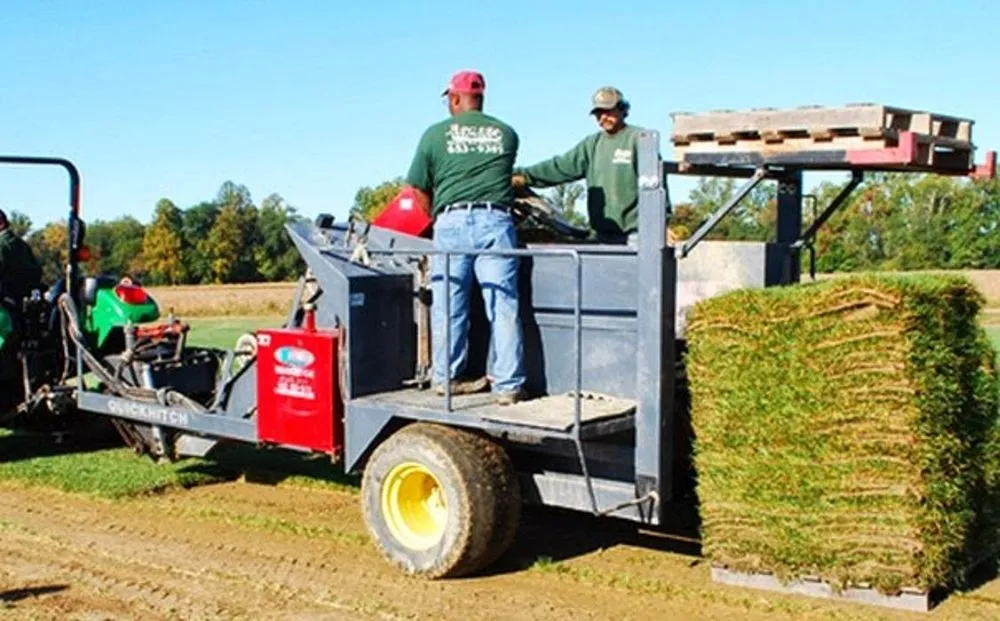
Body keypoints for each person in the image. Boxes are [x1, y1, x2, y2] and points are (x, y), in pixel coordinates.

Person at [403, 70, 526, 405]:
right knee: (502, 305)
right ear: (481, 98)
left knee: (448, 306)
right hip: (495, 222)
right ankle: (508, 386)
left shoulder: (434, 135)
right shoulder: (507, 133)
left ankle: (445, 379)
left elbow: (417, 186)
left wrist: (437, 218)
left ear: (455, 98)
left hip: (451, 223)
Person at [513, 86, 644, 245]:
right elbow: (559, 167)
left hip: (635, 235)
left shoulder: (638, 139)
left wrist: (663, 221)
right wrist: (522, 175)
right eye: (598, 113)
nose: (603, 117)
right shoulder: (591, 145)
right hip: (602, 236)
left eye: (608, 111)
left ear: (622, 109)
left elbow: (655, 183)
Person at [0, 209, 42, 306]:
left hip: (7, 298)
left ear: (1, 223)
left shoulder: (2, 244)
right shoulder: (22, 244)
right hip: (25, 298)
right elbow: (36, 269)